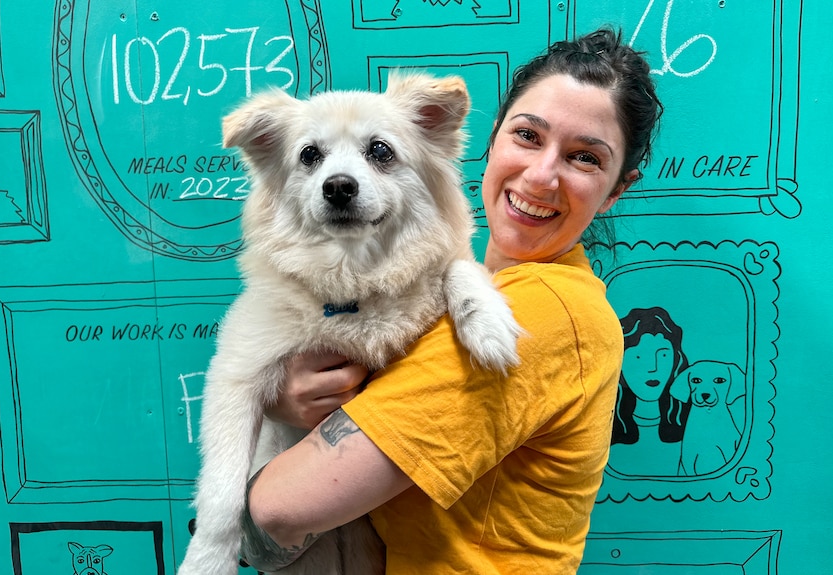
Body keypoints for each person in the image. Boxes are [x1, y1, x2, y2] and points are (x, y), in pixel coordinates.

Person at [241, 27, 663, 574]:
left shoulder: (542, 312)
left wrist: (247, 492)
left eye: (584, 158)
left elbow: (280, 508)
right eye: (528, 136)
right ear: (492, 141)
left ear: (616, 190)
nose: (540, 176)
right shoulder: (463, 290)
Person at [609, 306, 691, 476]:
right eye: (639, 356)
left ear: (676, 361)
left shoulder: (691, 425)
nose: (653, 368)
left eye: (663, 355)